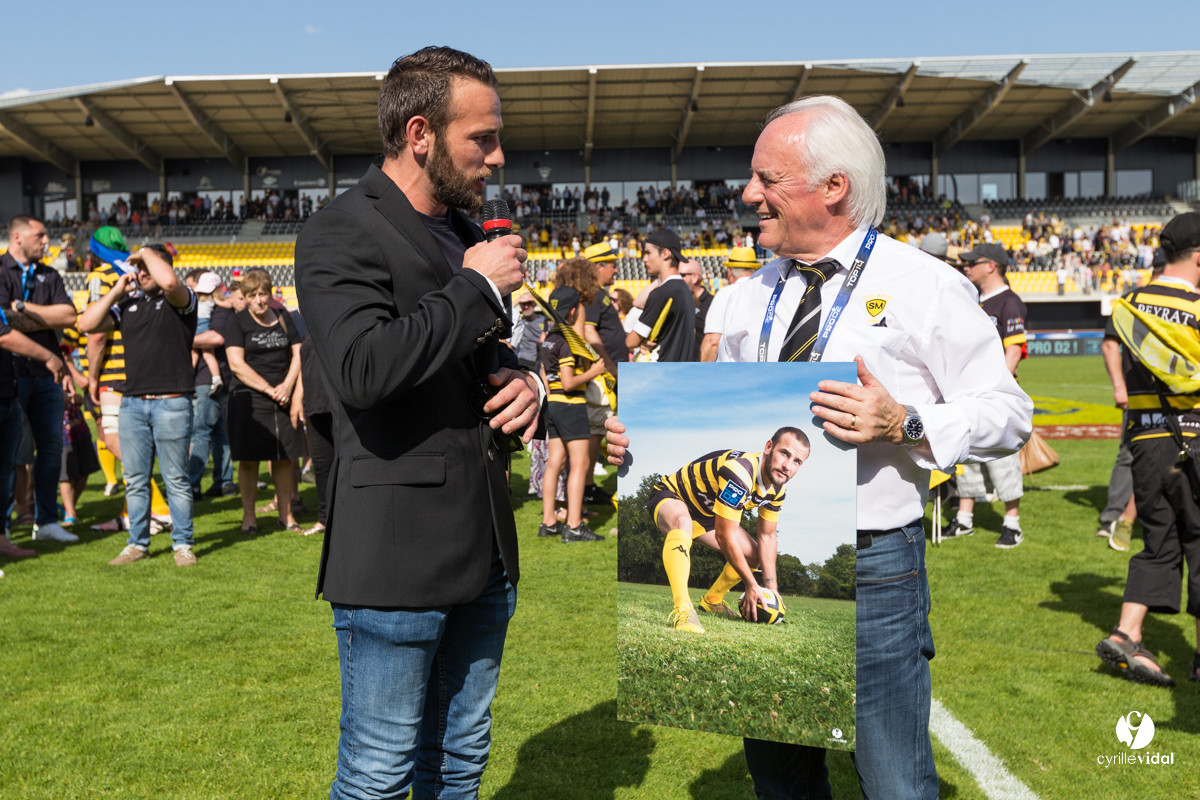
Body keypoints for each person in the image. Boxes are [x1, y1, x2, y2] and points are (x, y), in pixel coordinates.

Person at [606, 95, 1031, 799]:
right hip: (773, 531)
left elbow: (1009, 413)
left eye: (767, 179)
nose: (748, 195)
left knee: (894, 780)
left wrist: (906, 422)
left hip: (879, 561)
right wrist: (637, 437)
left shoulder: (924, 286)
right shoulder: (742, 299)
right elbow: (720, 416)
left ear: (834, 187)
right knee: (778, 774)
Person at [294, 46, 541, 800]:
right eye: (483, 139)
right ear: (419, 132)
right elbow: (364, 371)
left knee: (460, 762)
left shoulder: (466, 234)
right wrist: (473, 289)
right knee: (378, 772)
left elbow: (476, 362)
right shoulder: (341, 230)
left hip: (484, 545)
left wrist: (526, 382)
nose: (498, 157)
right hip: (397, 555)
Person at [1095, 212, 1200, 688]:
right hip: (1195, 436)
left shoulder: (1129, 303)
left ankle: (1126, 633)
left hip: (1146, 439)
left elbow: (1114, 351)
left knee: (1159, 540)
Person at [78, 244, 199, 567]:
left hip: (172, 402)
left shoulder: (182, 299)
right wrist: (118, 288)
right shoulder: (128, 302)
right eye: (138, 268)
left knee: (175, 478)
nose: (141, 273)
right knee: (135, 479)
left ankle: (183, 544)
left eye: (147, 267)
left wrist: (144, 251)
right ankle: (137, 544)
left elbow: (170, 283)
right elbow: (86, 324)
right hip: (132, 403)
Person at [649, 428, 808, 633]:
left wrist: (772, 591)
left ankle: (712, 600)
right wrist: (751, 585)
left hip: (707, 514)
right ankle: (683, 610)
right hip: (673, 496)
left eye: (797, 461)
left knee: (753, 554)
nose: (788, 466)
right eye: (784, 453)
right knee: (682, 523)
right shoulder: (740, 473)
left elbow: (767, 537)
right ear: (769, 447)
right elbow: (724, 535)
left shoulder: (777, 489)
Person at [940, 242, 1029, 548]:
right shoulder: (973, 300)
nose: (966, 267)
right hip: (966, 394)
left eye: (972, 262)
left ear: (991, 265)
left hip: (993, 396)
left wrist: (995, 388)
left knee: (1003, 461)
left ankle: (1012, 523)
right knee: (968, 457)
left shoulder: (1009, 302)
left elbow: (1014, 351)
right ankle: (964, 519)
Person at [3, 215, 78, 544]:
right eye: (40, 235)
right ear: (18, 237)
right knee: (9, 455)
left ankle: (47, 521)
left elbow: (69, 315)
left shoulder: (50, 274)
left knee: (50, 449)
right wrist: (43, 323)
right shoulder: (0, 270)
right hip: (10, 377)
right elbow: (4, 326)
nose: (47, 241)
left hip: (47, 379)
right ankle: (4, 526)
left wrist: (23, 310)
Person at [224, 269, 304, 533]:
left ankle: (287, 515)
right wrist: (271, 389)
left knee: (284, 458)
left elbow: (297, 353)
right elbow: (237, 365)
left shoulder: (283, 317)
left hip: (283, 394)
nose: (259, 300)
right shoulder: (236, 322)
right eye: (252, 295)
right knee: (249, 460)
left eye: (263, 294)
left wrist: (289, 386)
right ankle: (249, 517)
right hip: (250, 398)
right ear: (245, 298)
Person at [537, 286, 608, 543]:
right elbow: (569, 382)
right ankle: (575, 525)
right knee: (580, 464)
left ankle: (549, 521)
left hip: (553, 405)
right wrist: (595, 370)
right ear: (574, 310)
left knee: (554, 463)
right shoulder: (568, 340)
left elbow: (548, 376)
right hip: (570, 404)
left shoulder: (550, 336)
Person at [625, 228, 695, 362]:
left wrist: (641, 342)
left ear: (665, 253)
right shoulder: (684, 290)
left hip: (662, 373)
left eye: (648, 253)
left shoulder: (662, 293)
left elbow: (630, 342)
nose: (644, 259)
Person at [699, 246, 759, 362]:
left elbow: (713, 341)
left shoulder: (725, 294)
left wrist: (703, 374)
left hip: (729, 372)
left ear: (729, 272)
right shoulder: (765, 291)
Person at [678, 258, 713, 360]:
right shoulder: (676, 302)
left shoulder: (713, 304)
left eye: (681, 275)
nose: (676, 279)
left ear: (695, 278)